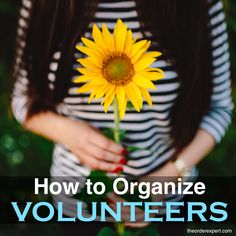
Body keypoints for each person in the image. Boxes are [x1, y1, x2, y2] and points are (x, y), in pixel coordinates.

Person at [11, 0, 233, 235]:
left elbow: (219, 108)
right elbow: (22, 98)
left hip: (168, 202)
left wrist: (168, 176)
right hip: (77, 203)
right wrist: (72, 134)